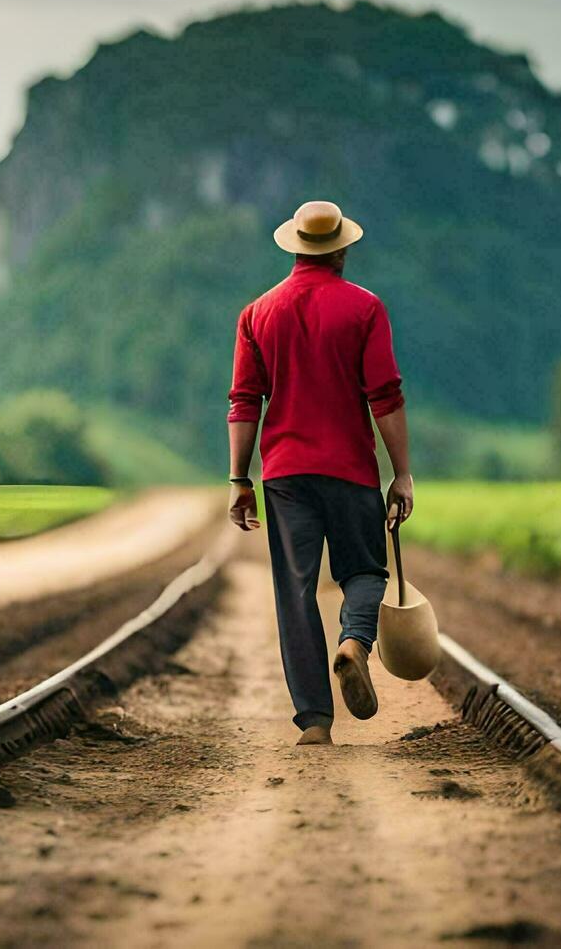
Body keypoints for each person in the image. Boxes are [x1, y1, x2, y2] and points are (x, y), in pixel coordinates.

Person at [226, 199, 413, 746]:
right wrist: (401, 473)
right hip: (351, 469)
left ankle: (314, 721)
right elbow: (385, 395)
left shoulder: (257, 313)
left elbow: (244, 401)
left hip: (285, 475)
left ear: (296, 246)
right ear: (343, 248)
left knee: (295, 590)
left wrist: (240, 480)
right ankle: (354, 640)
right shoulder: (365, 308)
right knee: (364, 572)